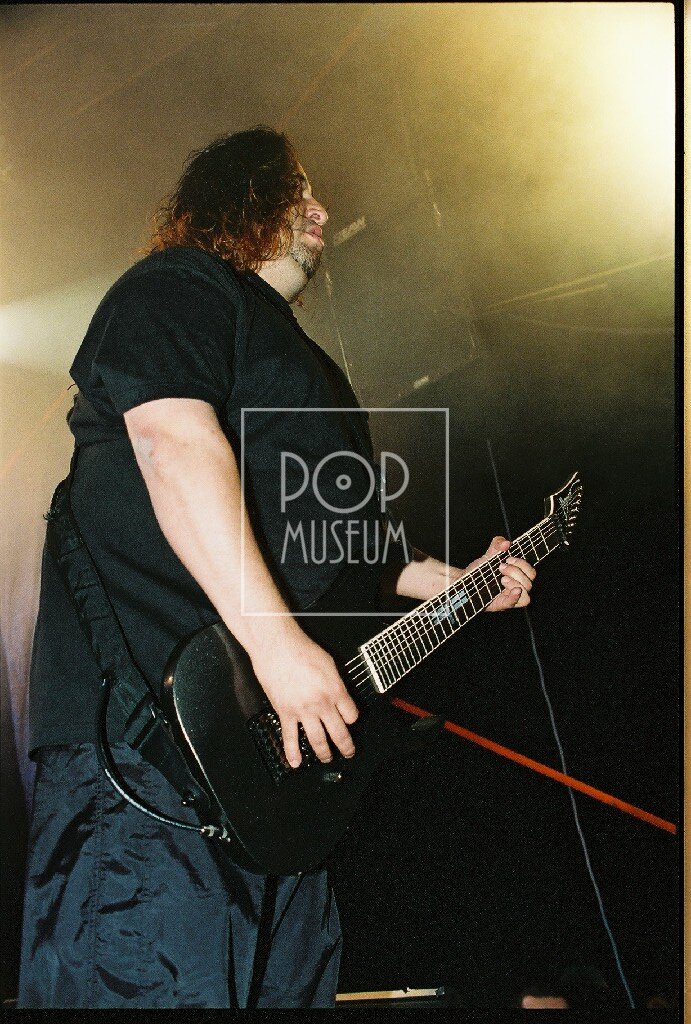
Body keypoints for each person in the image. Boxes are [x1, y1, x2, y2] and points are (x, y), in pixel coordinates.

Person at [17, 126, 536, 1009]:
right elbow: (172, 440)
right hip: (155, 755)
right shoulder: (178, 285)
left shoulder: (300, 362)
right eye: (296, 192)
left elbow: (347, 544)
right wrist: (276, 643)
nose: (320, 209)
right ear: (237, 201)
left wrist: (462, 583)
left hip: (273, 789)